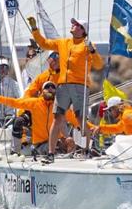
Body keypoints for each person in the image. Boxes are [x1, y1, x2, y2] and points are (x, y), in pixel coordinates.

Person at [27, 16, 104, 163]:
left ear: (83, 30)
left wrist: (92, 51)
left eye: (77, 24)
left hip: (80, 86)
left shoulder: (87, 45)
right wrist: (35, 29)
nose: (73, 25)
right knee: (57, 119)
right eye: (74, 24)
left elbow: (99, 65)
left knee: (81, 120)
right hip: (62, 86)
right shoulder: (63, 42)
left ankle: (87, 149)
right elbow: (43, 43)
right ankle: (50, 154)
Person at [0, 81, 78, 158]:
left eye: (53, 87)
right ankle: (15, 152)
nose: (50, 88)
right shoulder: (35, 103)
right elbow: (14, 102)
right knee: (18, 121)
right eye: (47, 87)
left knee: (70, 143)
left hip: (55, 142)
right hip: (40, 144)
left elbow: (75, 119)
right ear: (42, 91)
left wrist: (91, 127)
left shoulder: (59, 106)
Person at [12, 52, 61, 146]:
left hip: (59, 108)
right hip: (42, 108)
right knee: (19, 120)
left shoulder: (66, 76)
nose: (55, 61)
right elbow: (29, 92)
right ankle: (20, 146)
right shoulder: (42, 76)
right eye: (53, 58)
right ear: (48, 60)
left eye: (58, 58)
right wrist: (24, 110)